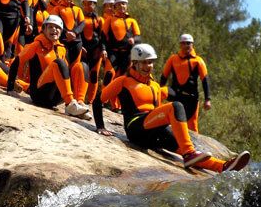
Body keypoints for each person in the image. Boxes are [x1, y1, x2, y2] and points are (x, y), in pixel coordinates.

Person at [96, 43, 250, 171]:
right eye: (143, 62)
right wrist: (100, 126)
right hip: (136, 128)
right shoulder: (123, 81)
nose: (147, 66)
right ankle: (190, 154)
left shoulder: (155, 85)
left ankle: (223, 167)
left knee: (185, 145)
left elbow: (165, 101)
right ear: (134, 63)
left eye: (150, 62)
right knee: (175, 107)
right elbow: (98, 100)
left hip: (153, 132)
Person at [6, 15, 90, 118]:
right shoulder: (36, 45)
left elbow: (65, 75)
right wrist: (10, 88)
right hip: (39, 95)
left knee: (82, 66)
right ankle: (69, 104)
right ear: (44, 29)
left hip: (56, 98)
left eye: (57, 27)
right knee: (59, 63)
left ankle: (79, 103)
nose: (54, 30)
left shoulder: (62, 48)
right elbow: (17, 61)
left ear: (61, 31)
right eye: (50, 27)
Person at [159, 33, 211, 133]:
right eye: (184, 43)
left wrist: (207, 99)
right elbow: (164, 76)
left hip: (191, 98)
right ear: (180, 45)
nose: (187, 45)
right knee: (160, 91)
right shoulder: (173, 58)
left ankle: (194, 147)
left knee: (192, 127)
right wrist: (156, 89)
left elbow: (205, 80)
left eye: (189, 43)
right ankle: (150, 112)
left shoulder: (198, 61)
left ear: (192, 45)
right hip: (176, 93)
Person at [81, 0, 105, 104]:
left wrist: (103, 50)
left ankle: (90, 100)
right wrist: (80, 46)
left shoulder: (99, 20)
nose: (89, 6)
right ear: (83, 4)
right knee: (82, 72)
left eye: (91, 3)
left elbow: (103, 37)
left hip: (95, 50)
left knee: (94, 75)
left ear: (95, 5)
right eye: (86, 3)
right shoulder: (80, 16)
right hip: (83, 49)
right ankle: (79, 96)